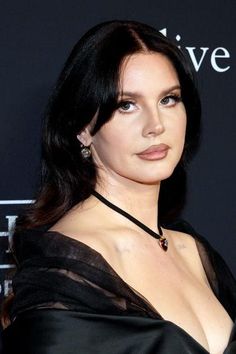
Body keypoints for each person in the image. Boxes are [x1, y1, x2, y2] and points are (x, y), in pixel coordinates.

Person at [1, 20, 236, 354]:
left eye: (168, 99)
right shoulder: (64, 269)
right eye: (126, 105)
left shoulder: (195, 251)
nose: (156, 125)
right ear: (83, 128)